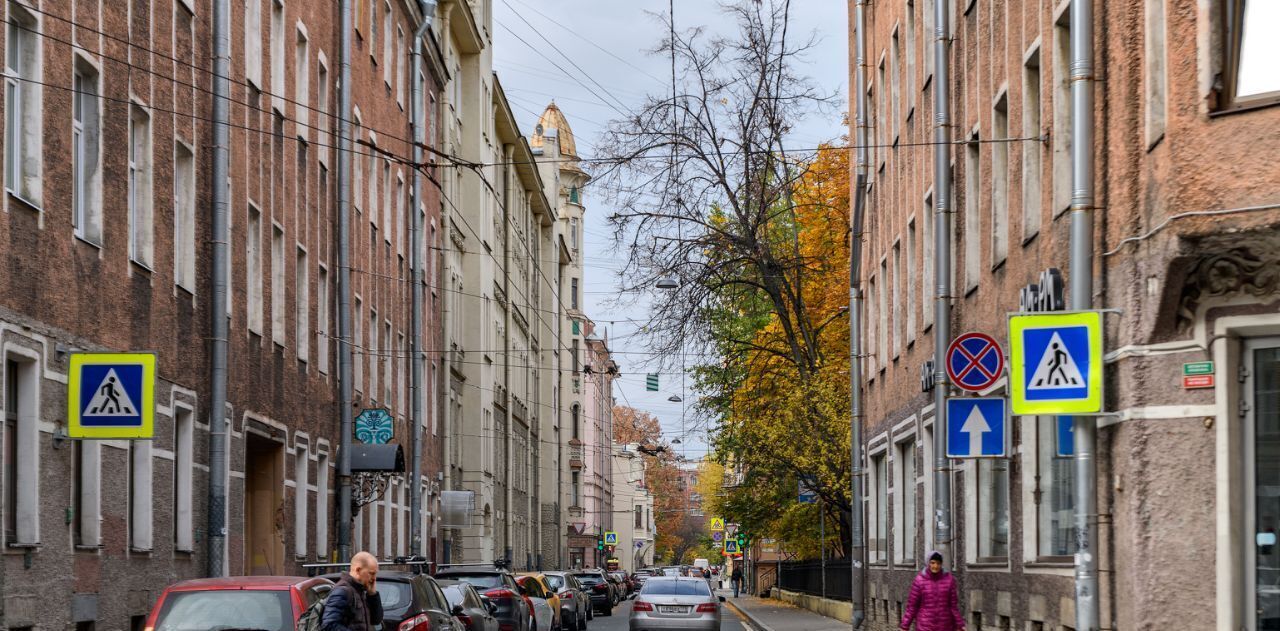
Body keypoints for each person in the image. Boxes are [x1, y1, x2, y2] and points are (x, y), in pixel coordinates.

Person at [900, 551, 965, 631]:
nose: (935, 566)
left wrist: (960, 624)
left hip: (945, 626)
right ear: (928, 563)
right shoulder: (919, 580)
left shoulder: (949, 580)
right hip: (925, 626)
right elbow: (912, 606)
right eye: (933, 563)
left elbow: (953, 606)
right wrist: (905, 626)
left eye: (938, 563)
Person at [322, 551, 384, 631]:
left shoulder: (359, 591)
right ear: (358, 570)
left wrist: (372, 594)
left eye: (375, 574)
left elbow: (376, 620)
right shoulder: (342, 591)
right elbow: (328, 625)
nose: (374, 578)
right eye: (371, 573)